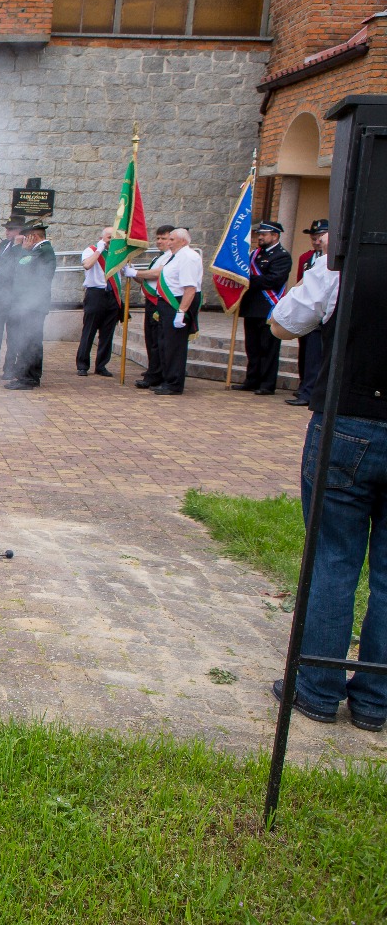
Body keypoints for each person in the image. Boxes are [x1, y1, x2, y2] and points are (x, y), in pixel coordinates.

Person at [267, 246, 383, 732]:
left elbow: (283, 322)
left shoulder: (345, 260)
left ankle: (317, 688)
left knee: (333, 560)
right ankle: (376, 699)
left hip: (351, 422)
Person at [134, 227, 201, 395]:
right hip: (166, 303)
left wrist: (181, 311)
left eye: (171, 239)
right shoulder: (175, 257)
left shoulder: (188, 257)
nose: (167, 242)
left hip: (177, 303)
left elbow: (190, 288)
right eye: (168, 239)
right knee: (165, 343)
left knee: (174, 345)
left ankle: (174, 383)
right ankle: (167, 379)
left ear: (183, 241)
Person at [237, 221, 292, 395]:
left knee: (268, 348)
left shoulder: (282, 256)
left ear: (275, 236)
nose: (259, 237)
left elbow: (273, 280)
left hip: (269, 307)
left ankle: (267, 384)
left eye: (263, 234)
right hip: (252, 307)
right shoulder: (255, 254)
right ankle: (252, 379)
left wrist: (248, 280)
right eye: (259, 234)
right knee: (252, 347)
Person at [4, 220, 57, 390]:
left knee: (29, 341)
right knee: (29, 341)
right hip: (29, 303)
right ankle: (28, 375)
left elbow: (22, 269)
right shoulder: (37, 251)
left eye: (26, 237)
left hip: (33, 304)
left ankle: (28, 378)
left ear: (33, 237)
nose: (24, 240)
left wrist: (23, 250)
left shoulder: (43, 251)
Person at [288, 219, 329, 407]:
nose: (316, 241)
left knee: (315, 355)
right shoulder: (306, 258)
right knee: (304, 352)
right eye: (313, 238)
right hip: (306, 312)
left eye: (319, 237)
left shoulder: (331, 260)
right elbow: (301, 282)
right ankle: (304, 384)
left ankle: (309, 392)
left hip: (321, 314)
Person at [133, 224, 177, 390]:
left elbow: (157, 273)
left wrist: (136, 273)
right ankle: (153, 370)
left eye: (164, 238)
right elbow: (148, 279)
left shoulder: (171, 257)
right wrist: (132, 272)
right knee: (150, 339)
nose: (159, 241)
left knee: (157, 341)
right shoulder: (157, 257)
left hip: (161, 301)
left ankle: (156, 374)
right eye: (157, 238)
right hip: (150, 302)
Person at [76, 227, 122, 377]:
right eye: (109, 238)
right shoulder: (91, 250)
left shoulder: (117, 254)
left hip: (112, 295)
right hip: (96, 294)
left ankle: (101, 365)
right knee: (89, 331)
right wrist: (99, 250)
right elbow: (87, 265)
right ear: (102, 238)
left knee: (107, 333)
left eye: (114, 238)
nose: (111, 241)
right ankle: (82, 365)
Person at [0, 218, 25, 377]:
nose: (7, 232)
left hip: (14, 297)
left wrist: (16, 246)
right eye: (7, 229)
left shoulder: (23, 247)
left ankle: (9, 367)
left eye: (11, 229)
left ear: (20, 231)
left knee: (13, 335)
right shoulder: (3, 245)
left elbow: (13, 267)